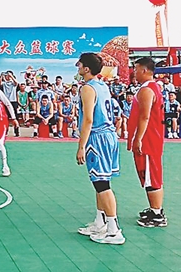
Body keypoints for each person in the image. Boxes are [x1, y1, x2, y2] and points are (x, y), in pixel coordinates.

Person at [75, 53, 124, 245]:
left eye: (80, 64)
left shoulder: (87, 88)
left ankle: (113, 230)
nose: (77, 66)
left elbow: (88, 119)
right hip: (108, 135)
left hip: (98, 137)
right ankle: (100, 222)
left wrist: (81, 146)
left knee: (102, 184)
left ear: (87, 68)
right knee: (100, 180)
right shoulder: (102, 85)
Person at [126, 57, 167, 228]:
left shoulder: (147, 90)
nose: (134, 73)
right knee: (151, 174)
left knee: (151, 176)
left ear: (144, 70)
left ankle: (157, 214)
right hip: (151, 138)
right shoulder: (152, 87)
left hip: (148, 140)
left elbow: (145, 116)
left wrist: (138, 139)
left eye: (136, 69)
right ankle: (154, 209)